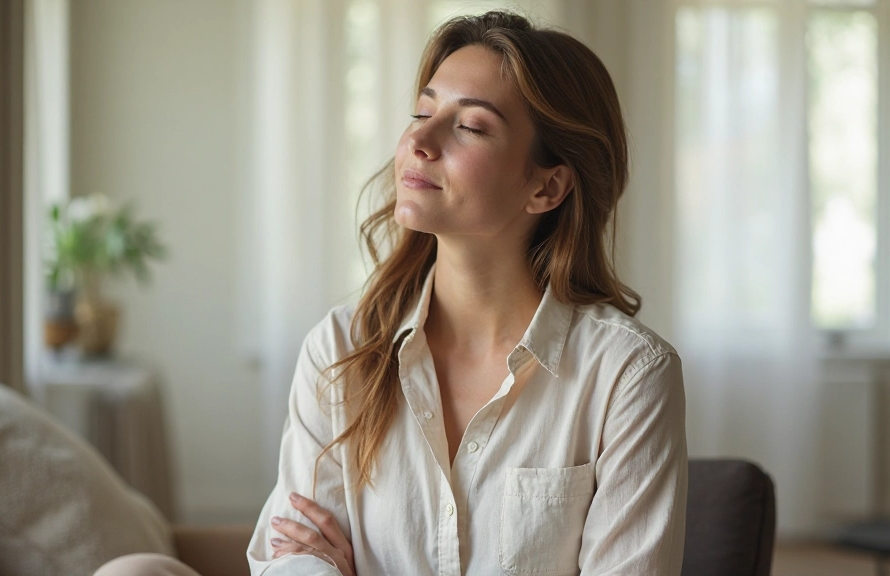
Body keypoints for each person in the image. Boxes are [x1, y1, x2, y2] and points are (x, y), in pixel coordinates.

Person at [96, 9, 687, 576]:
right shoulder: (339, 348)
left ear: (547, 187)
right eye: (421, 112)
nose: (419, 140)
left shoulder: (628, 375)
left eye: (470, 126)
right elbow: (290, 556)